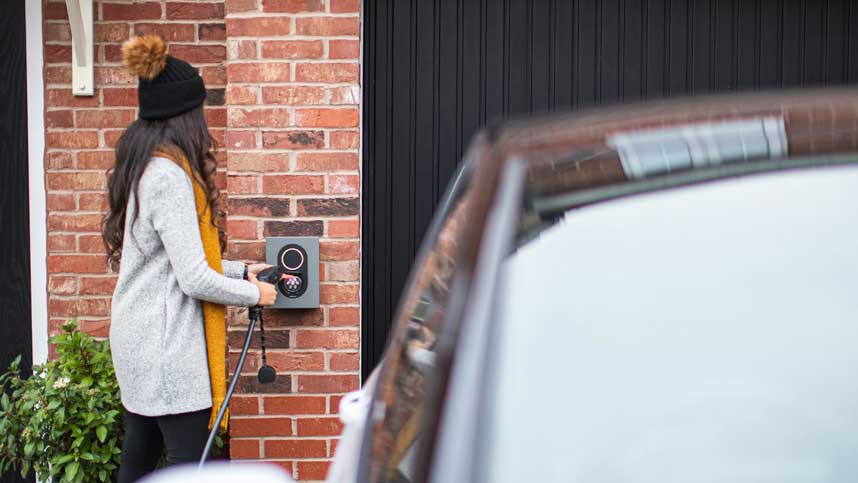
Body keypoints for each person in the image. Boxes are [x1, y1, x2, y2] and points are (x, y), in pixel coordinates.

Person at [102, 35, 284, 482]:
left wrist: (242, 270)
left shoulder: (145, 164)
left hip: (141, 340)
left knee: (139, 458)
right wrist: (253, 293)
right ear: (185, 115)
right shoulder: (169, 176)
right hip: (167, 350)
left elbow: (173, 263)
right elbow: (194, 279)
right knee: (196, 466)